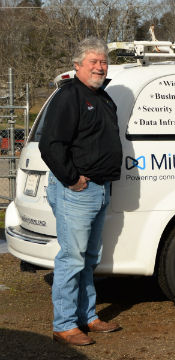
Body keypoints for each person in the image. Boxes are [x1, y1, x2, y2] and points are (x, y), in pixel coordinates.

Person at [39, 37, 123, 345]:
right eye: (94, 61)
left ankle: (88, 317)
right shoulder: (70, 96)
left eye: (103, 61)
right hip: (77, 191)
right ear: (78, 65)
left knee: (89, 259)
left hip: (100, 189)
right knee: (72, 259)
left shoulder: (103, 97)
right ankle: (64, 324)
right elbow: (51, 144)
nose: (100, 66)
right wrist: (72, 178)